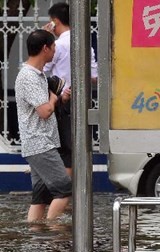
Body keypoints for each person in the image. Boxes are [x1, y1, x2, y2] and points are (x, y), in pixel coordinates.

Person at [15, 29, 72, 221]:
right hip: (40, 143)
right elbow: (45, 111)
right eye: (54, 46)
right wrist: (54, 98)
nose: (56, 50)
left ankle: (36, 236)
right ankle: (53, 231)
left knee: (40, 196)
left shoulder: (37, 75)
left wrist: (58, 98)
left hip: (40, 142)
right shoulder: (29, 77)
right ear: (45, 48)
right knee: (65, 189)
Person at [43, 2, 99, 176]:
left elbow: (41, 70)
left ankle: (63, 197)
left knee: (63, 151)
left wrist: (44, 38)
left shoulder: (57, 45)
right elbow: (95, 78)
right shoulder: (84, 44)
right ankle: (70, 195)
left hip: (60, 101)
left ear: (55, 21)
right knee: (78, 149)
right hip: (81, 100)